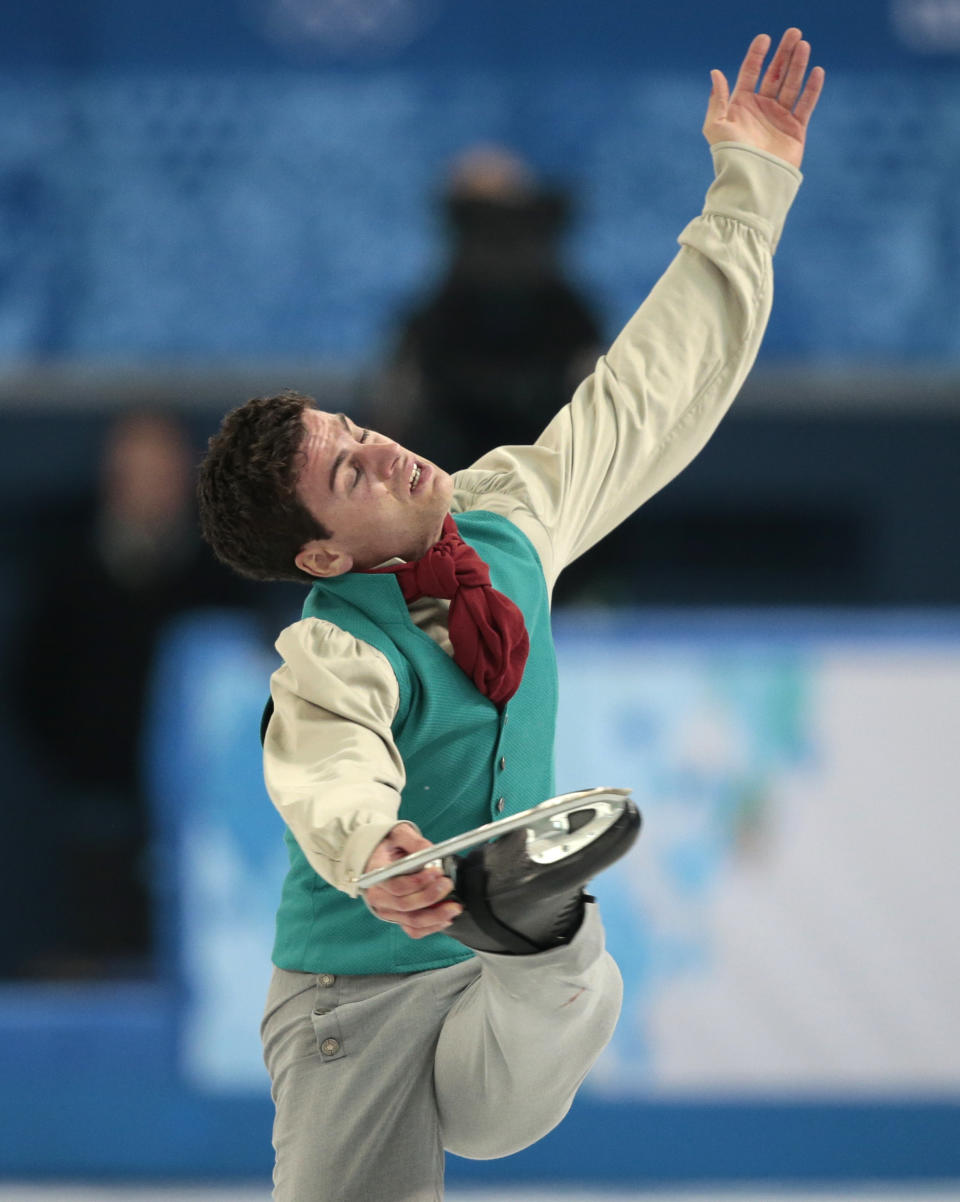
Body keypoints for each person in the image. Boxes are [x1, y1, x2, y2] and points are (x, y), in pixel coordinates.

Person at [197, 29, 823, 1202]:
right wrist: (370, 847)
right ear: (325, 551)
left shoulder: (510, 513)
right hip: (356, 1003)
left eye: (351, 428)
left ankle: (536, 920)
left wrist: (753, 186)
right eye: (348, 473)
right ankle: (530, 919)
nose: (378, 446)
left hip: (505, 1007)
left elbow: (656, 386)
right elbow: (325, 765)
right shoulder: (335, 645)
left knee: (560, 976)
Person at [9, 409, 252, 977]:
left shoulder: (223, 573)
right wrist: (76, 759)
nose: (148, 487)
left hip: (201, 811)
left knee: (191, 957)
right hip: (96, 797)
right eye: (135, 472)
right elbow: (33, 682)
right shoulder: (66, 572)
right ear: (111, 478)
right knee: (101, 949)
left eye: (162, 472)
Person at [383, 142, 603, 471]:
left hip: (545, 472)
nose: (496, 246)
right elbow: (396, 408)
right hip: (454, 472)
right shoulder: (436, 319)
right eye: (477, 226)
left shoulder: (566, 315)